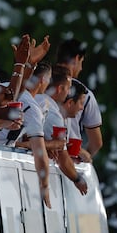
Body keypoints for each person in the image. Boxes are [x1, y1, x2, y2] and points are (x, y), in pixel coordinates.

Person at [0, 61, 53, 208]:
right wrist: (45, 185)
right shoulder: (33, 109)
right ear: (42, 80)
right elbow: (39, 151)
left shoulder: (6, 86)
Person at [36, 66, 88, 195]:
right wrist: (77, 178)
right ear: (59, 89)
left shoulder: (37, 99)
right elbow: (62, 158)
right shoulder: (53, 114)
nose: (70, 92)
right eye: (69, 88)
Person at [55, 39, 102, 163]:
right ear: (76, 59)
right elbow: (96, 142)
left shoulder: (41, 82)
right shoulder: (86, 95)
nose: (81, 68)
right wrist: (81, 156)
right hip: (68, 163)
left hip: (36, 156)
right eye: (81, 62)